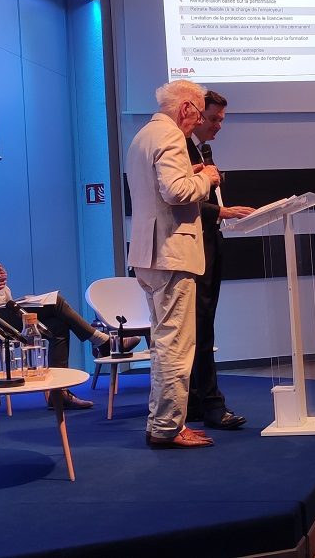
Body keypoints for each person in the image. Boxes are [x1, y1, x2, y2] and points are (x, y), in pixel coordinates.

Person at [0, 218, 135, 409]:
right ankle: (101, 341)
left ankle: (59, 394)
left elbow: (4, 299)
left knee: (58, 325)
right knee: (57, 302)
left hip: (4, 312)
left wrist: (2, 286)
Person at [126, 79, 221, 449]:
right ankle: (167, 427)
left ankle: (162, 422)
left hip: (150, 253)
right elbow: (176, 191)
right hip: (171, 252)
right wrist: (206, 178)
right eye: (197, 116)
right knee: (176, 345)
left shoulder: (142, 136)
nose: (197, 124)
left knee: (165, 341)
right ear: (185, 108)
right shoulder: (169, 137)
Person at [185, 90, 255, 430]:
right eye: (211, 119)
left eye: (220, 120)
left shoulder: (198, 151)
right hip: (194, 251)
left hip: (210, 244)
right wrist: (221, 211)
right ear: (196, 115)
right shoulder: (178, 146)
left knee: (203, 327)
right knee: (199, 328)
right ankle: (210, 404)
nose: (216, 126)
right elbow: (178, 200)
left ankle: (196, 401)